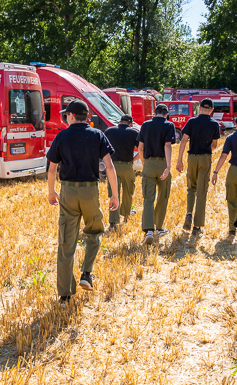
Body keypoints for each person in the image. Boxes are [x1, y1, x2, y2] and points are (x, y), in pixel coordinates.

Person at [46, 100, 119, 303]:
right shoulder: (97, 135)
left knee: (66, 241)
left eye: (66, 115)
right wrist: (114, 194)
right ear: (86, 116)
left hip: (68, 191)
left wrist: (51, 192)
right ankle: (86, 273)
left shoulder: (61, 136)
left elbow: (52, 169)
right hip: (90, 191)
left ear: (71, 116)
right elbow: (109, 167)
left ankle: (65, 295)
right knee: (94, 231)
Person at [176, 98, 222, 236]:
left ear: (200, 108)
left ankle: (189, 213)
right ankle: (197, 226)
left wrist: (179, 160)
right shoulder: (214, 124)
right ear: (211, 110)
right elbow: (214, 145)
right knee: (202, 191)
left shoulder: (191, 121)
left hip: (192, 157)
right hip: (205, 158)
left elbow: (183, 141)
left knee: (191, 188)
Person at [137, 104, 176, 244]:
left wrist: (144, 162)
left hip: (149, 163)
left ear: (154, 113)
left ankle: (148, 230)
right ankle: (159, 228)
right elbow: (167, 146)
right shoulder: (169, 125)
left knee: (148, 198)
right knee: (163, 196)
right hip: (162, 163)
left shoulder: (145, 125)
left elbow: (140, 147)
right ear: (166, 114)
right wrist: (168, 166)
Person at [103, 114, 139, 229]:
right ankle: (126, 215)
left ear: (120, 122)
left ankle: (113, 221)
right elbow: (142, 149)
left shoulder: (109, 131)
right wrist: (134, 159)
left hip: (112, 166)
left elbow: (103, 148)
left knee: (114, 192)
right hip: (127, 166)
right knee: (128, 191)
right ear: (130, 124)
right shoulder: (134, 132)